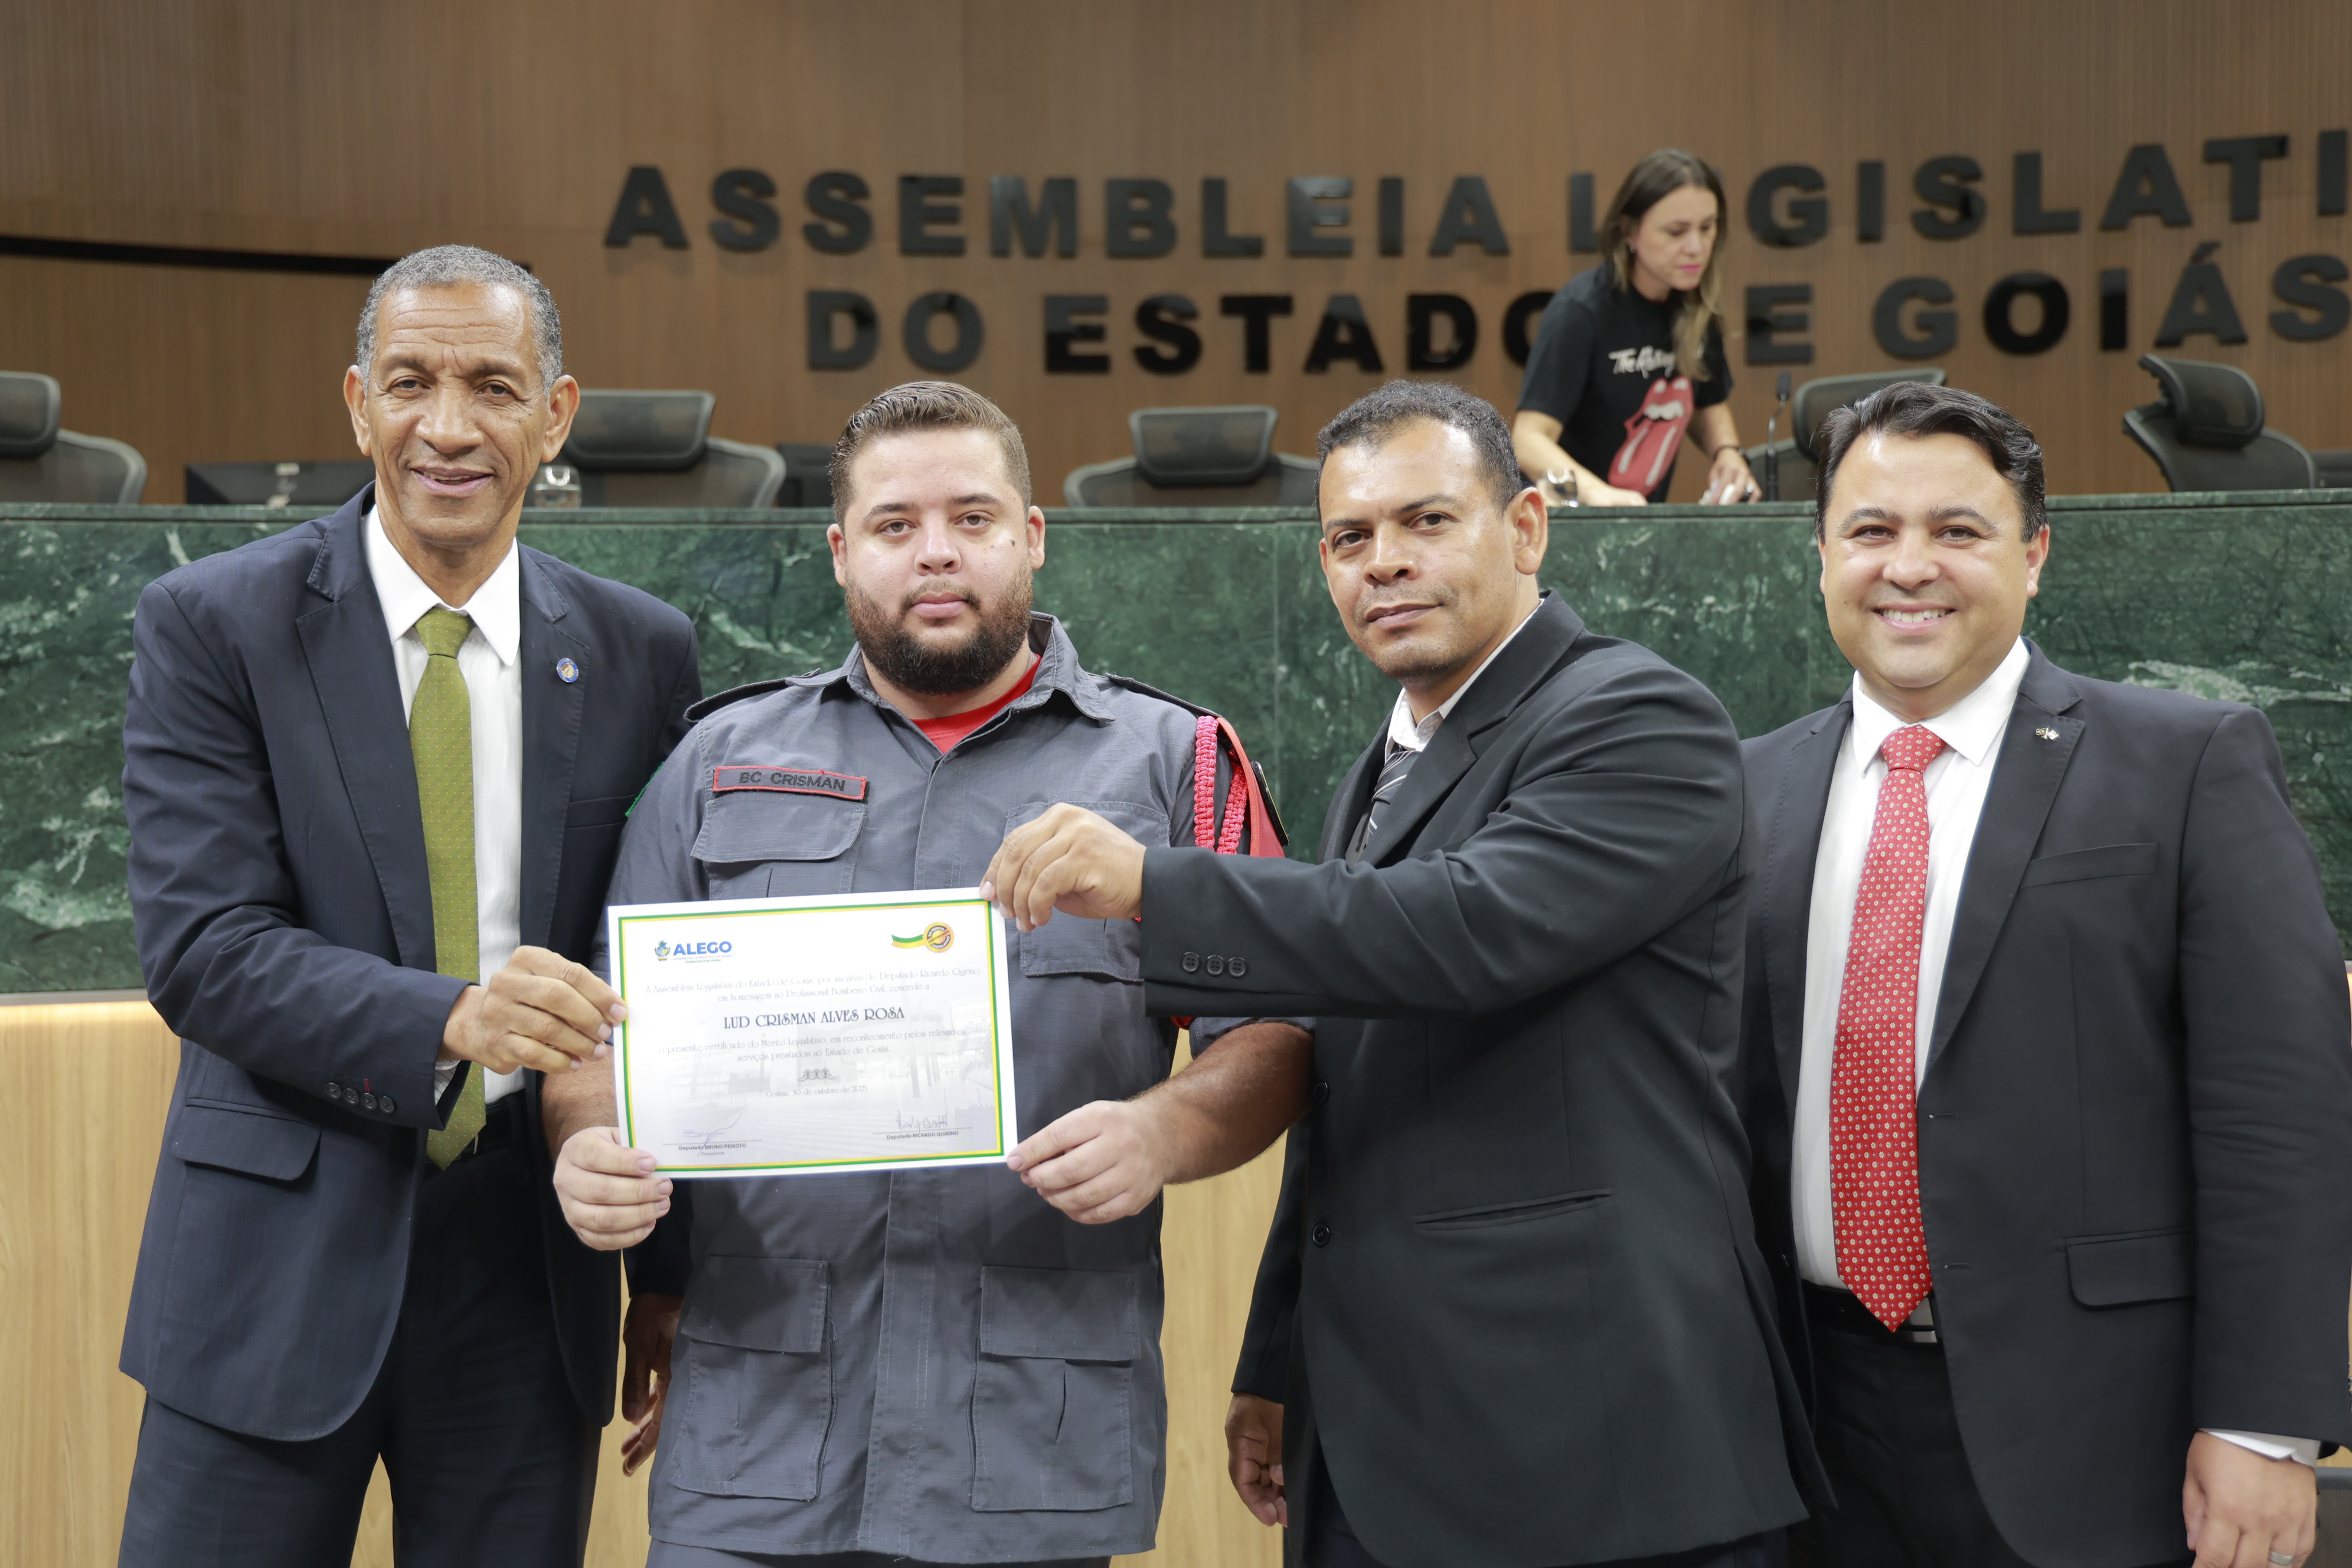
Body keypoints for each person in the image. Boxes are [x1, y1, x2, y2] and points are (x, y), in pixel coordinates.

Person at [982, 379, 1820, 1568]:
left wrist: (1153, 883)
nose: (1383, 562)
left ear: (1525, 528)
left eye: (1427, 521)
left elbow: (1462, 930)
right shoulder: (1382, 770)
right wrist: (1280, 1353)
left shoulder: (1638, 717)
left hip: (1595, 1445)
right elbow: (1347, 1083)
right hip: (1380, 1436)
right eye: (1349, 537)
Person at [549, 380, 1313, 1568]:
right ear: (840, 552)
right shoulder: (715, 759)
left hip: (1024, 1438)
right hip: (758, 1427)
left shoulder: (1180, 763)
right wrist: (587, 1140)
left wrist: (1160, 1132)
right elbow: (603, 1028)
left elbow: (1272, 1034)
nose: (937, 552)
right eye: (896, 525)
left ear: (1033, 536)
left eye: (973, 517)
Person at [115, 244, 703, 1567]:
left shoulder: (642, 649)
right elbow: (205, 951)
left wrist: (668, 1273)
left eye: (492, 386)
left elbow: (651, 967)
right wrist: (456, 1019)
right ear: (356, 404)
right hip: (270, 1260)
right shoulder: (212, 623)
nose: (447, 427)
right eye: (409, 383)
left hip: (527, 1264)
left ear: (555, 416)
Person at [1735, 381, 2352, 1568]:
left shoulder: (2186, 764)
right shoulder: (1745, 790)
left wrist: (2263, 1422)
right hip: (1803, 1431)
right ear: (1820, 559)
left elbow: (2280, 1116)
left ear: (2033, 556)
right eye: (1870, 529)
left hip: (2098, 1431)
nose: (1908, 565)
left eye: (1956, 529)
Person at [1512, 148, 1756, 508]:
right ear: (1629, 230)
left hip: (1638, 516)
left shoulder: (1696, 308)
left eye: (1707, 228)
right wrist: (1598, 495)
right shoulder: (1581, 312)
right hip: (1568, 520)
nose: (1696, 247)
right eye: (1676, 232)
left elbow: (1707, 398)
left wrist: (1727, 452)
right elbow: (1528, 438)